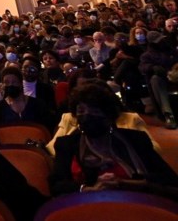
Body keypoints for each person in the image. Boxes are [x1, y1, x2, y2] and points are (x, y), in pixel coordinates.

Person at [50, 83, 178, 197]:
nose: (87, 115)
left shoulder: (136, 139)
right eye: (81, 111)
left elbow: (168, 179)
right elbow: (56, 185)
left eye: (95, 110)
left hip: (137, 202)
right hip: (87, 206)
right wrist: (87, 189)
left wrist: (130, 184)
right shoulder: (66, 143)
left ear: (109, 115)